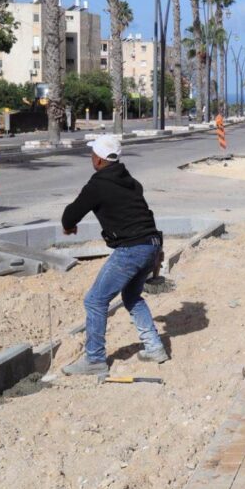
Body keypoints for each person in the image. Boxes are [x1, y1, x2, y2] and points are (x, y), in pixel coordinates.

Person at [60, 135, 167, 376]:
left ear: (98, 160)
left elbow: (70, 216)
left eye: (92, 155)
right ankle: (154, 347)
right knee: (131, 296)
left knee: (95, 301)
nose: (91, 158)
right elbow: (145, 215)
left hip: (131, 249)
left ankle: (95, 359)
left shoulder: (97, 185)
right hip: (151, 244)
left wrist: (69, 226)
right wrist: (157, 251)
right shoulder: (132, 183)